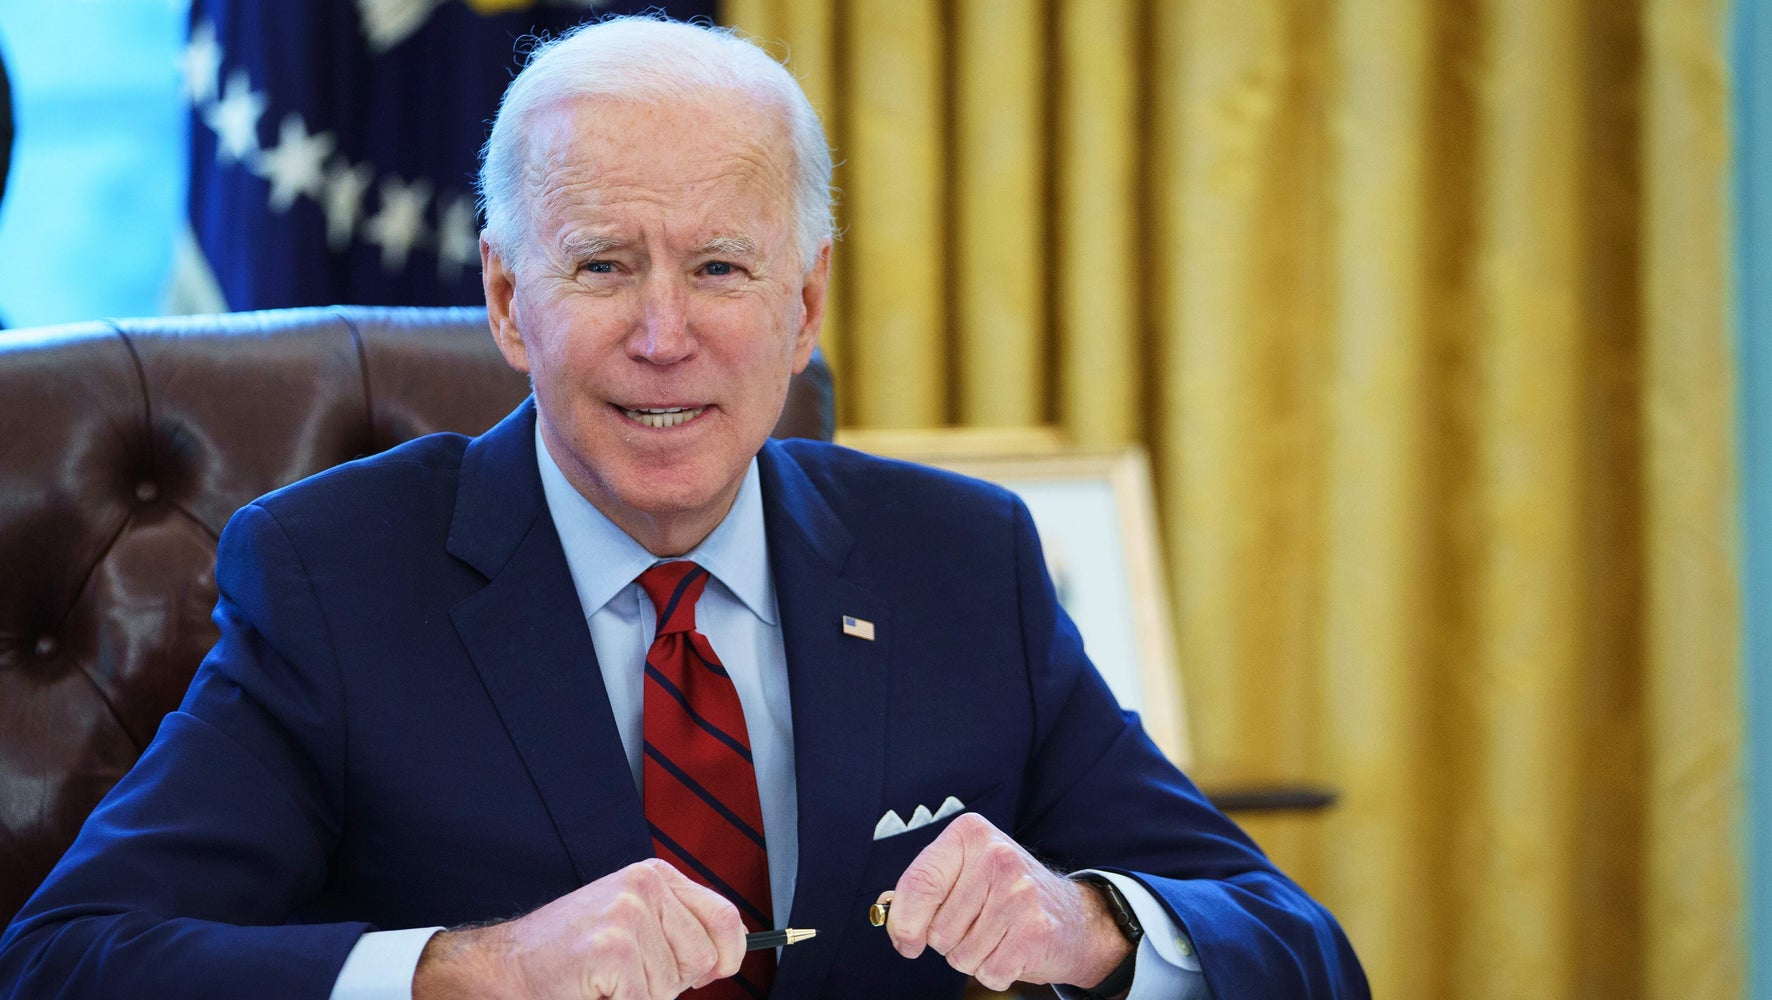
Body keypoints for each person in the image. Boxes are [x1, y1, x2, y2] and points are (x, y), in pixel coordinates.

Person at [0, 16, 1367, 1000]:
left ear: (806, 304)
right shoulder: (334, 578)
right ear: (503, 299)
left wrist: (1092, 929)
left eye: (721, 266)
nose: (666, 335)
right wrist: (470, 975)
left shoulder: (964, 565)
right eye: (602, 264)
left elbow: (1295, 947)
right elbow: (71, 957)